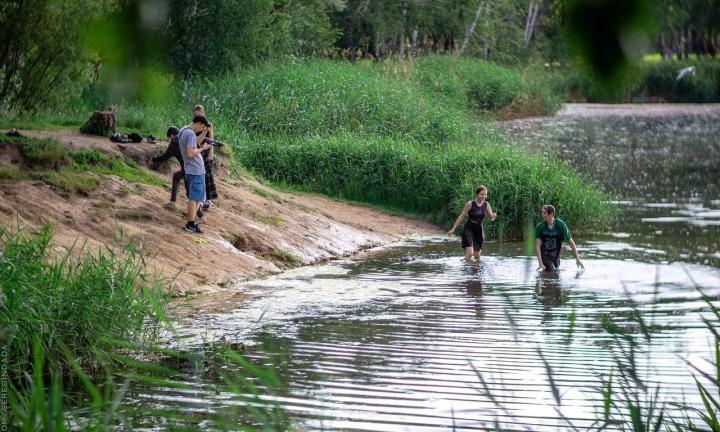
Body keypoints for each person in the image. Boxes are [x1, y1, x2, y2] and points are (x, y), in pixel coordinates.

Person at [179, 115, 212, 234]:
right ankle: (190, 224)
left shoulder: (185, 130)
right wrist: (203, 149)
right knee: (194, 198)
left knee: (198, 197)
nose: (200, 130)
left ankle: (191, 222)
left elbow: (195, 143)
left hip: (194, 170)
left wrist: (205, 132)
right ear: (198, 123)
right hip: (195, 170)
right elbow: (190, 153)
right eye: (201, 127)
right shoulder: (191, 133)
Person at [447, 185, 498, 261]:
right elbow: (461, 216)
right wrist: (453, 229)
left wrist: (494, 216)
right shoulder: (470, 204)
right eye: (482, 194)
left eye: (485, 194)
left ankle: (474, 271)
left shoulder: (486, 205)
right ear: (477, 194)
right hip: (469, 228)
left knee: (477, 256)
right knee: (470, 253)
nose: (484, 196)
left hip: (478, 230)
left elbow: (491, 217)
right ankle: (463, 267)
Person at [534, 204, 584, 272]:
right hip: (545, 255)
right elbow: (537, 246)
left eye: (544, 213)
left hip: (556, 256)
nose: (542, 215)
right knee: (551, 271)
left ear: (551, 214)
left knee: (555, 273)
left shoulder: (561, 225)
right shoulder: (540, 227)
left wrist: (578, 259)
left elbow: (571, 243)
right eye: (542, 212)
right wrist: (540, 263)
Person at [151, 126, 186, 206]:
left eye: (169, 138)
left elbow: (164, 157)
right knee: (178, 177)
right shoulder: (184, 138)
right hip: (197, 166)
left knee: (177, 178)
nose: (169, 140)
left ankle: (172, 202)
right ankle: (199, 212)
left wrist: (153, 159)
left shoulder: (174, 142)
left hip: (188, 169)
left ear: (171, 135)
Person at [192, 105, 218, 209]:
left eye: (201, 112)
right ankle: (200, 199)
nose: (199, 114)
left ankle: (208, 199)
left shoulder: (208, 125)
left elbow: (211, 139)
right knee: (199, 175)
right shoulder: (194, 124)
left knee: (207, 175)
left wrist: (211, 153)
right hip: (197, 151)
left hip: (206, 151)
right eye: (197, 112)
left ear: (204, 113)